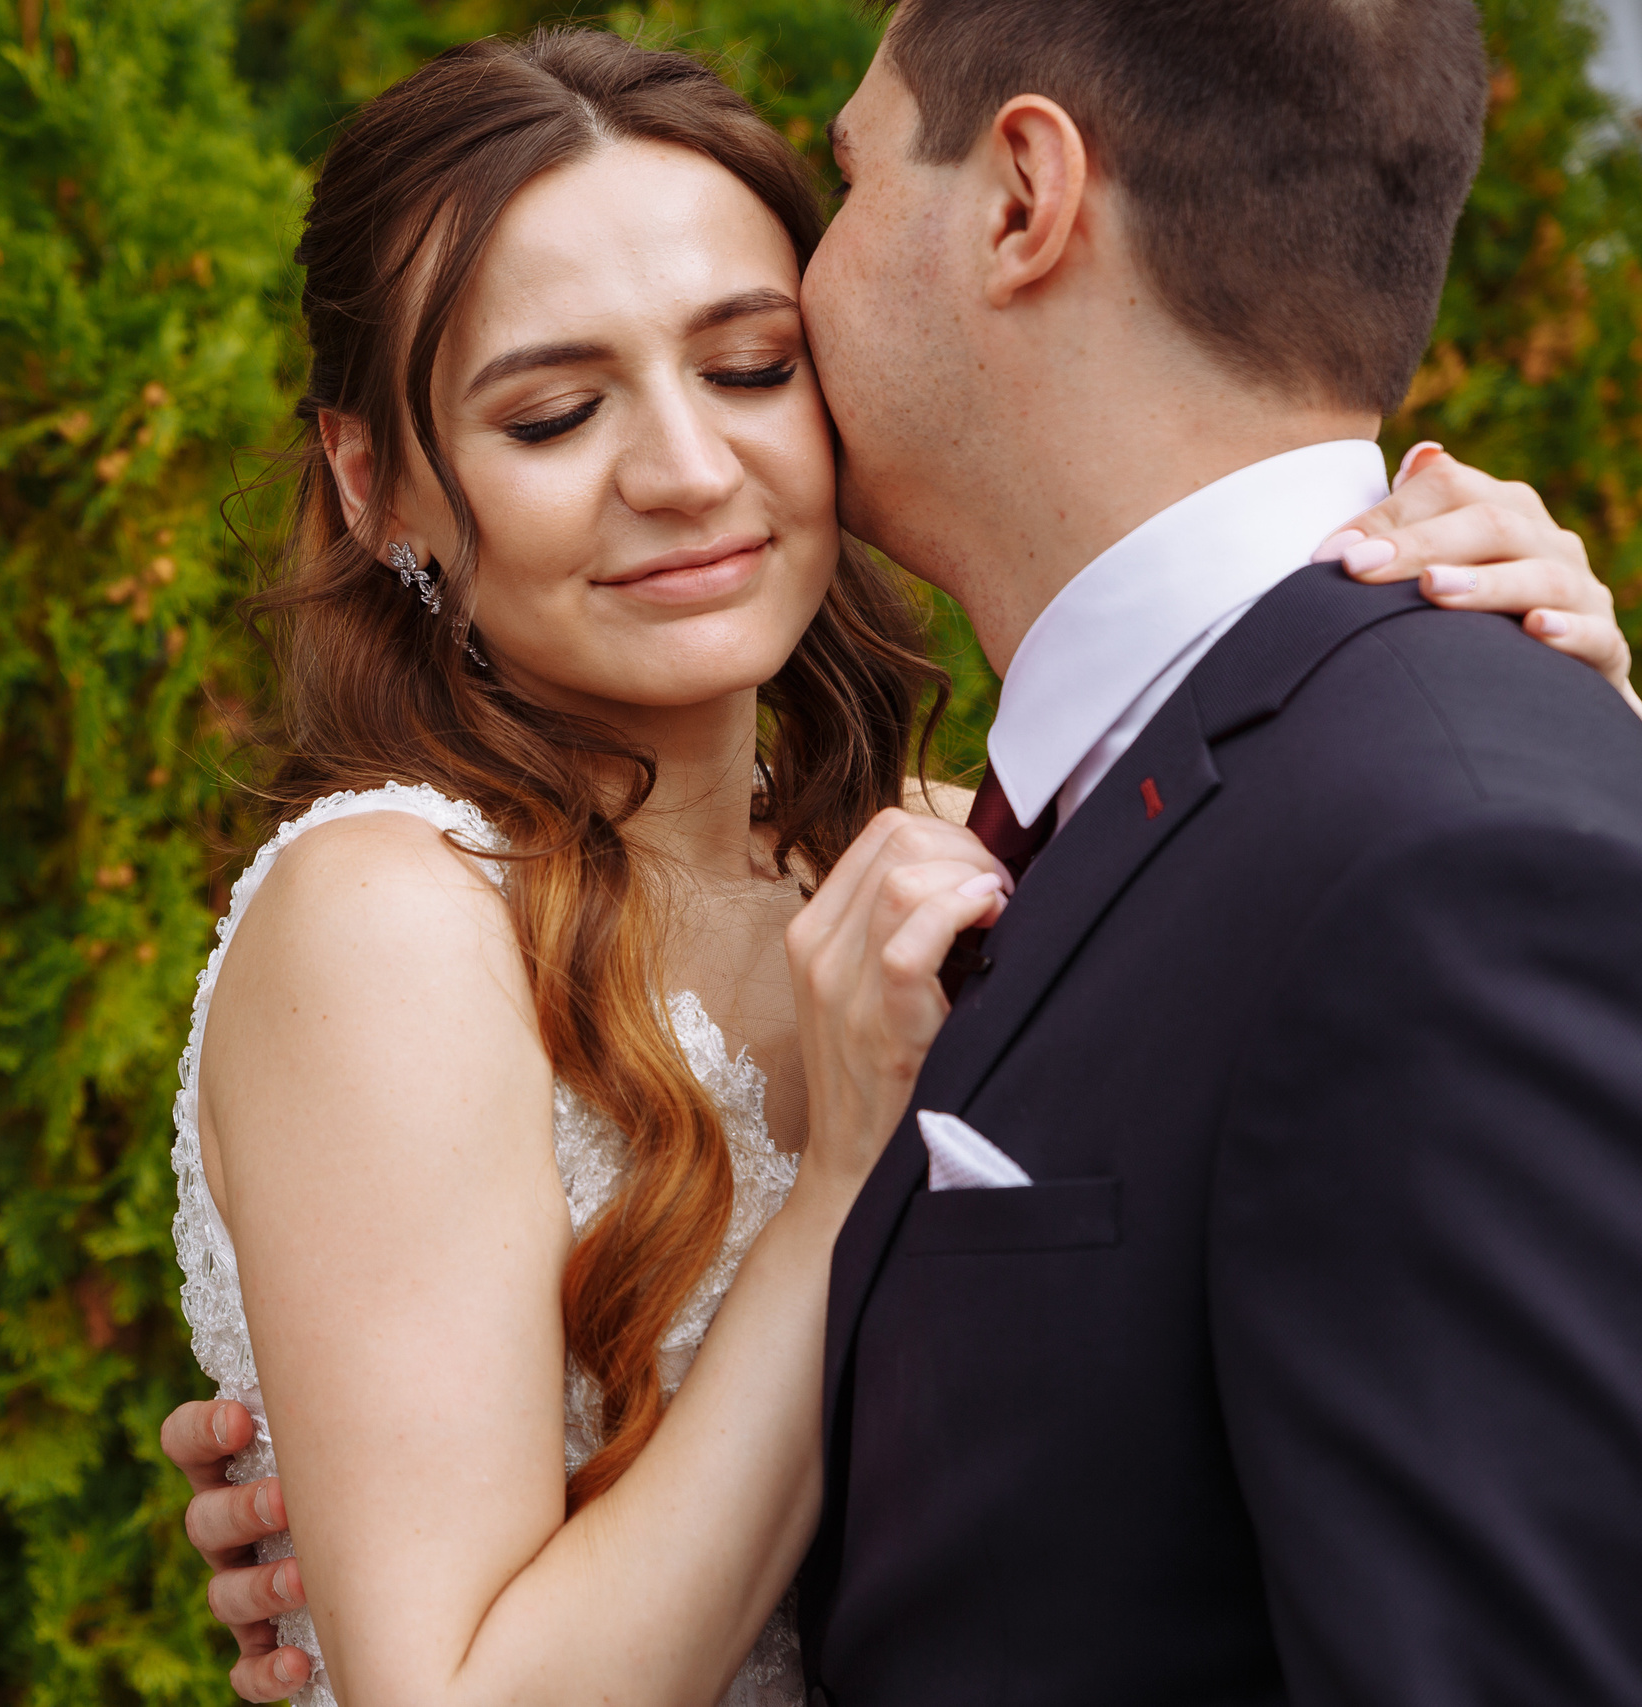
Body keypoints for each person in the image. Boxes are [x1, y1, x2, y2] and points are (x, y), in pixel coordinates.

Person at [161, 15, 1642, 1707]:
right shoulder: (391, 920)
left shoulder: (972, 856)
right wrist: (847, 1178)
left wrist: (1548, 712)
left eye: (748, 365)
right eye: (557, 413)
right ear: (375, 487)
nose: (688, 470)